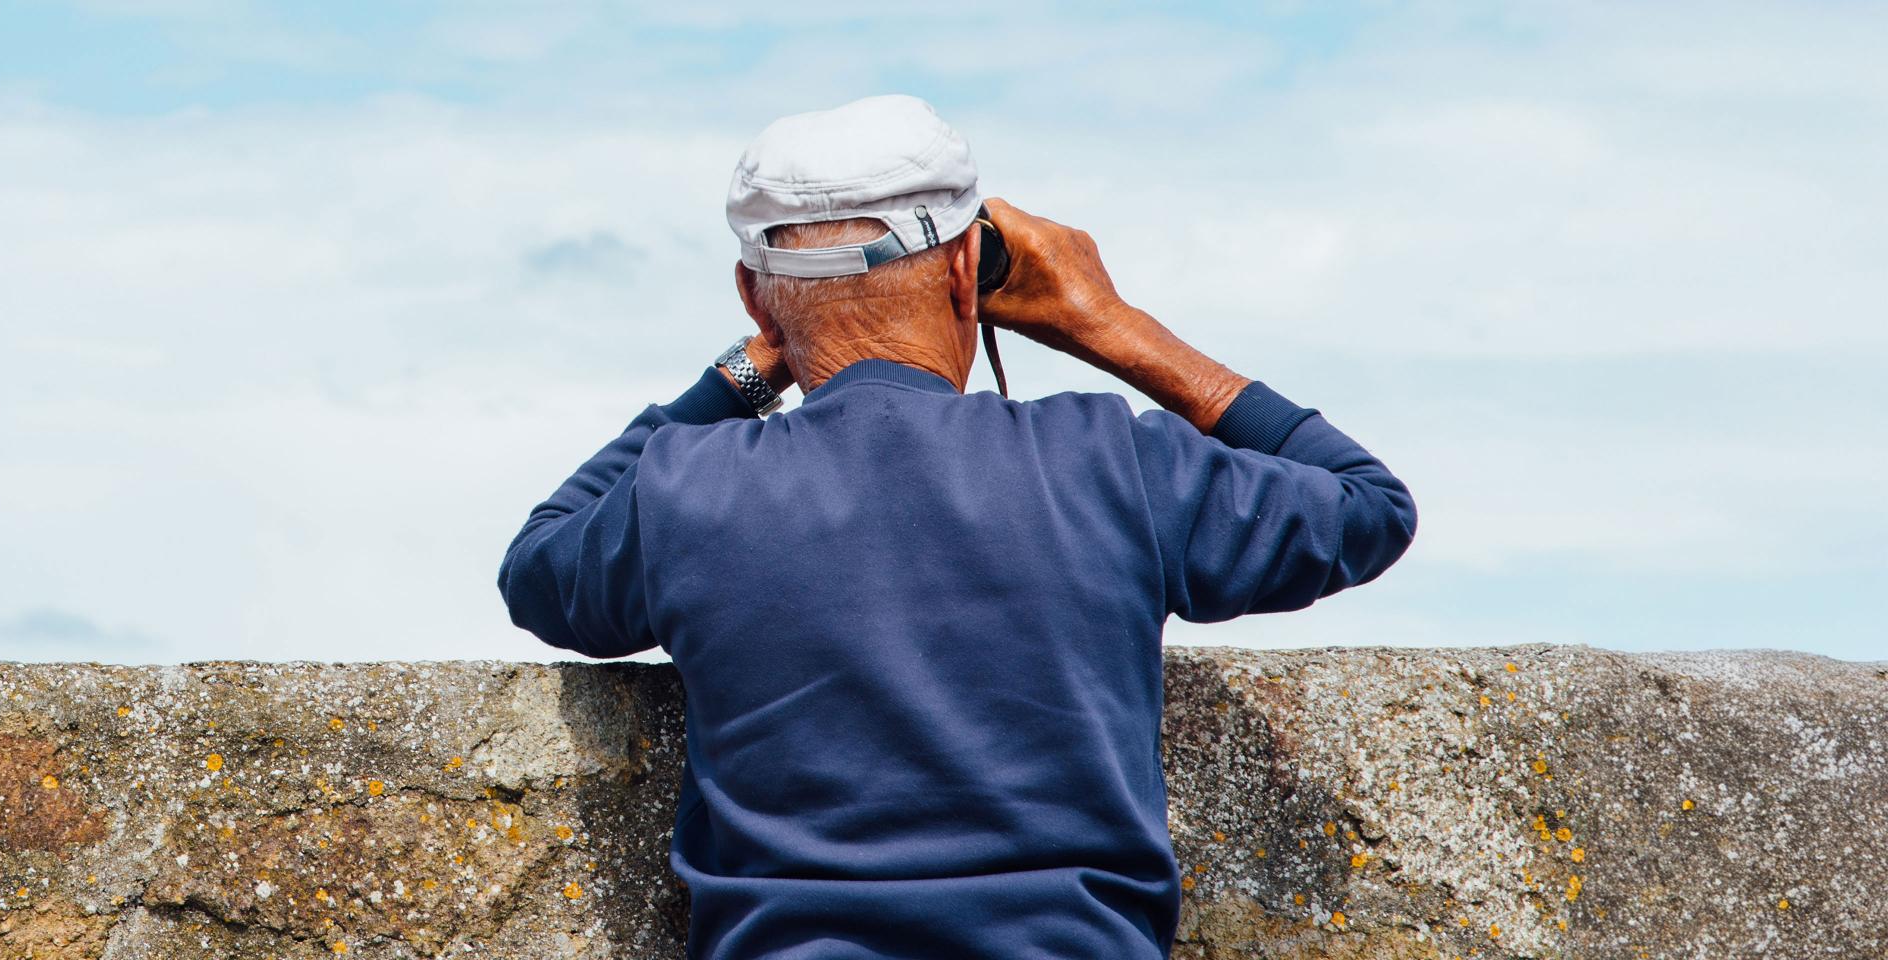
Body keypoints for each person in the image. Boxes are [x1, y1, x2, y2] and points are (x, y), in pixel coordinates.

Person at [498, 95, 1416, 959]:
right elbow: (1366, 506)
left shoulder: (683, 487)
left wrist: (739, 378)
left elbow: (540, 564)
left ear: (752, 295)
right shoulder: (1110, 461)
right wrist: (1109, 324)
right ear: (970, 267)